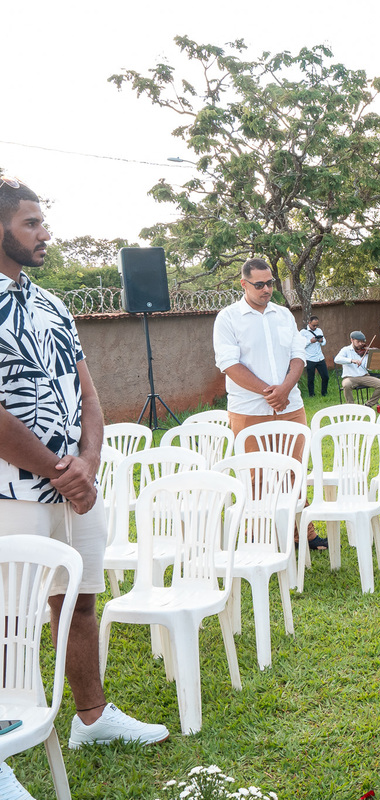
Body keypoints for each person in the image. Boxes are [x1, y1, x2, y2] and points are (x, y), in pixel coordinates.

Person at [0, 177, 168, 800]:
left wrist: (89, 463)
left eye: (43, 222)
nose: (45, 233)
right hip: (14, 491)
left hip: (76, 488)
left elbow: (86, 393)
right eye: (31, 223)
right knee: (11, 619)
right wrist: (55, 468)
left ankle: (92, 718)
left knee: (78, 601)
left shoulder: (52, 303)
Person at [213, 258, 324, 550]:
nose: (266, 289)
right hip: (249, 409)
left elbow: (298, 355)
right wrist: (269, 392)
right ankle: (259, 536)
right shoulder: (228, 318)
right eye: (259, 284)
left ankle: (303, 534)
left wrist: (285, 389)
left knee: (294, 470)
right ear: (244, 284)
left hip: (290, 406)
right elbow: (228, 364)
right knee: (256, 475)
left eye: (270, 283)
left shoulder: (283, 315)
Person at [336, 330, 380, 408]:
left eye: (362, 342)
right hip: (350, 378)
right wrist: (351, 360)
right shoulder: (346, 350)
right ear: (352, 340)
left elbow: (367, 366)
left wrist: (372, 361)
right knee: (346, 384)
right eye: (358, 342)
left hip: (364, 376)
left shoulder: (365, 351)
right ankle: (351, 407)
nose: (360, 344)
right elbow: (337, 359)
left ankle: (368, 405)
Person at [301, 314, 330, 397]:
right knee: (311, 378)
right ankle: (311, 395)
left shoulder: (319, 330)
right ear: (309, 323)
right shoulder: (303, 332)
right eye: (313, 325)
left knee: (325, 377)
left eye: (317, 325)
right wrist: (310, 341)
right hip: (310, 358)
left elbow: (324, 342)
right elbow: (300, 344)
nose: (315, 327)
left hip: (320, 357)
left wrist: (321, 341)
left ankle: (324, 393)